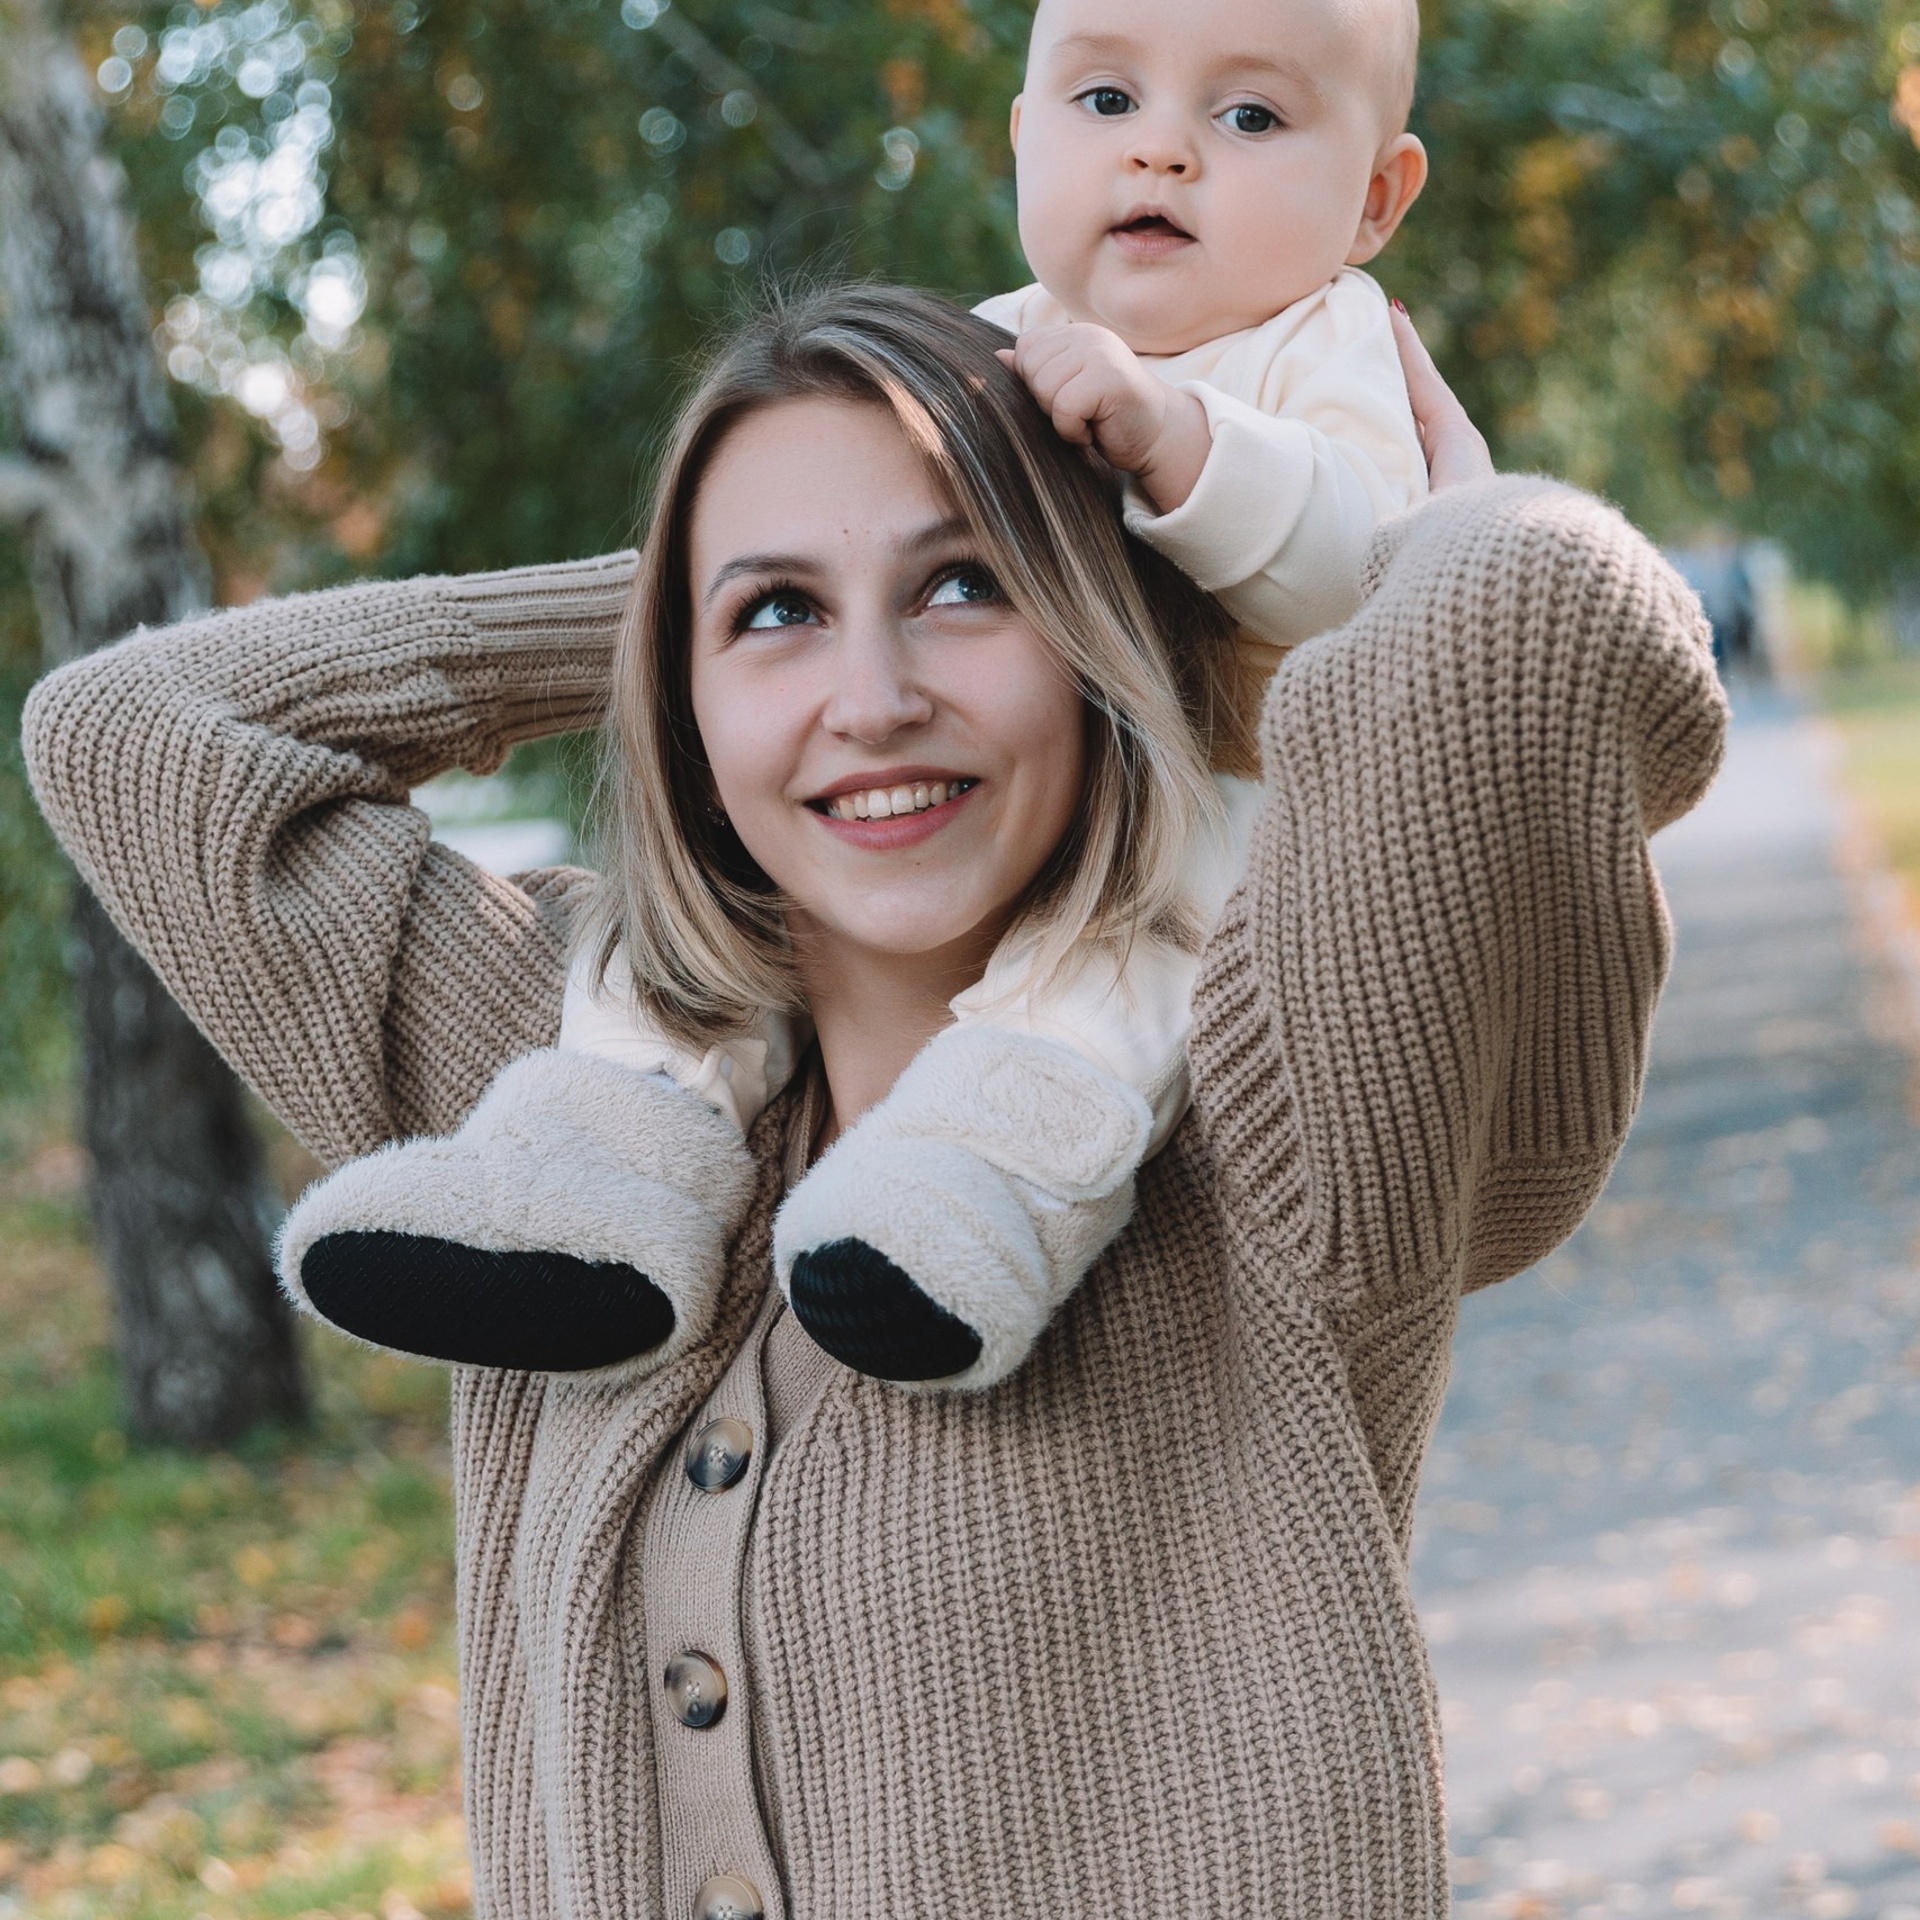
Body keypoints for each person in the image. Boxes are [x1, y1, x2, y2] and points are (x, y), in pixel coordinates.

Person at [24, 284, 1725, 1918]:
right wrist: (655, 604)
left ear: (1097, 625)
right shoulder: (557, 1090)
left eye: (967, 586)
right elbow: (133, 729)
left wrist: (1314, 529)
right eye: (776, 619)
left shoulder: (1273, 1095)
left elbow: (1537, 613)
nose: (872, 697)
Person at [286, 0, 1440, 1395]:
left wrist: (1184, 446)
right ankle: (594, 1166)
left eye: (1248, 117)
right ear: (1021, 144)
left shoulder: (1328, 350)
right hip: (1036, 816)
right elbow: (135, 731)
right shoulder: (989, 355)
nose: (1164, 158)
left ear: (1376, 199)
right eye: (1104, 105)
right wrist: (685, 594)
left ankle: (968, 1195)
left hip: (1224, 806)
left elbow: (1381, 583)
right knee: (668, 952)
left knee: (1112, 980)